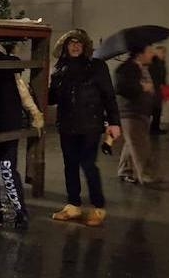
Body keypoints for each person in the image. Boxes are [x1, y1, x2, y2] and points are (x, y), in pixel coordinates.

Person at [49, 29, 121, 227]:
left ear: (85, 46)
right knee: (70, 165)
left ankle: (98, 208)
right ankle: (73, 205)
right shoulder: (60, 68)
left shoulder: (96, 66)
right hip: (67, 125)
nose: (75, 46)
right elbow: (53, 98)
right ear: (65, 46)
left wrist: (114, 122)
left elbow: (108, 95)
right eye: (71, 42)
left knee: (88, 165)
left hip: (90, 125)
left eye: (79, 42)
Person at [0, 43, 44, 230]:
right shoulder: (8, 64)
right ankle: (10, 211)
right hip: (1, 122)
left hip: (1, 123)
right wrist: (34, 112)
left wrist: (34, 112)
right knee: (0, 168)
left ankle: (9, 211)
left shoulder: (1, 64)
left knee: (1, 168)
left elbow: (21, 90)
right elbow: (22, 91)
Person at [116, 45, 160, 184]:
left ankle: (125, 171)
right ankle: (146, 175)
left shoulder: (143, 67)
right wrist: (143, 87)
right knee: (140, 145)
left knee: (132, 143)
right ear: (140, 54)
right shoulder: (126, 68)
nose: (152, 54)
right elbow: (121, 87)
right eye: (149, 51)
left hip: (141, 111)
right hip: (131, 112)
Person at [149, 46, 168, 135]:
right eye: (162, 52)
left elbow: (162, 76)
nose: (164, 54)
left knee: (158, 109)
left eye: (164, 52)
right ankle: (154, 128)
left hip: (158, 89)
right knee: (155, 108)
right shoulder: (154, 63)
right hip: (154, 89)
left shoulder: (161, 63)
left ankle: (155, 127)